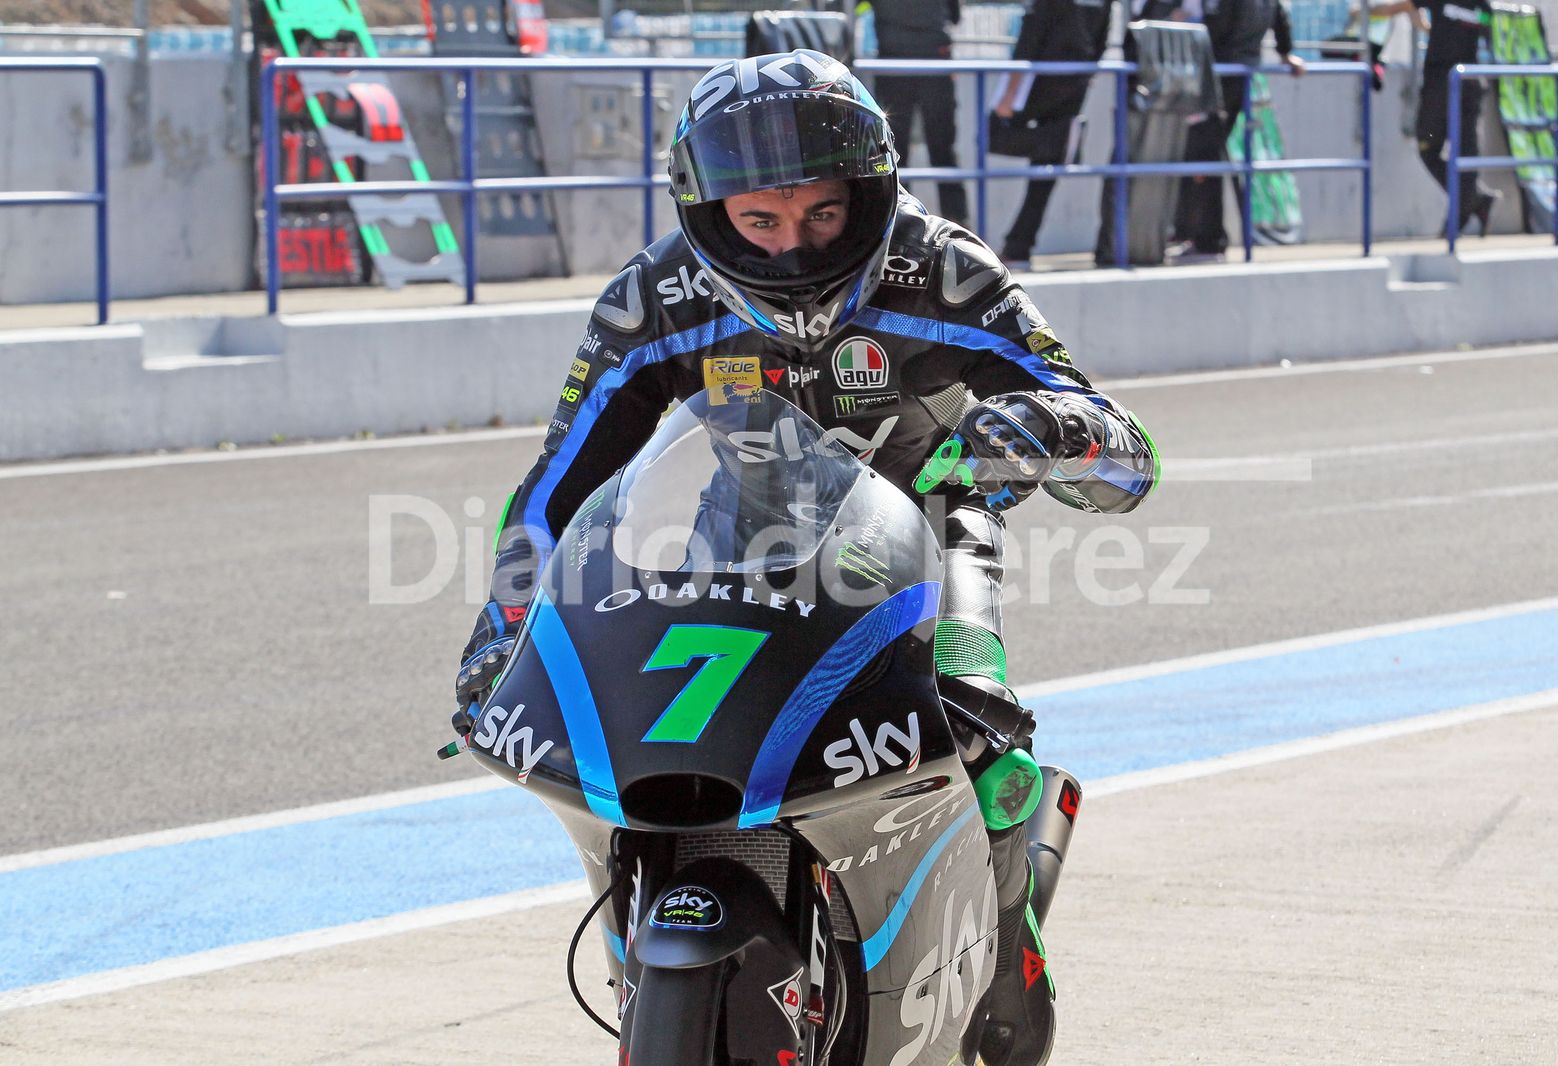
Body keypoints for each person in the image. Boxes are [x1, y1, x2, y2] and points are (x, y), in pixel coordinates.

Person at [454, 50, 1159, 1066]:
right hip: (732, 540)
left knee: (979, 729)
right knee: (659, 749)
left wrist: (1052, 427)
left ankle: (1008, 947)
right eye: (761, 221)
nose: (794, 248)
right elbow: (557, 487)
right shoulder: (652, 297)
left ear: (869, 195)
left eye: (823, 214)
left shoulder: (945, 269)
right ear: (709, 214)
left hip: (933, 527)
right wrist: (501, 629)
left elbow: (1124, 451)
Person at [1169, 0, 1306, 262]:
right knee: (1207, 154)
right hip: (1241, 72)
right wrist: (1285, 51)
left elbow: (1216, 27)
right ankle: (1198, 236)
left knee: (1203, 155)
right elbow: (1279, 16)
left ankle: (1208, 240)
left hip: (1216, 75)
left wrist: (1185, 24)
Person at [992, 0, 1114, 270]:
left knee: (997, 136)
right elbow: (1102, 39)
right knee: (1047, 167)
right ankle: (1019, 246)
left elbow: (1031, 36)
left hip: (1040, 81)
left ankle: (1017, 246)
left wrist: (1010, 92)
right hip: (1075, 82)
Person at [1365, 0, 1500, 235]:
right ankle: (1472, 200)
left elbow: (1491, 31)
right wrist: (1421, 24)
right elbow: (1408, 5)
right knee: (1429, 147)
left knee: (1464, 151)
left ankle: (1466, 206)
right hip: (1445, 83)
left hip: (1462, 84)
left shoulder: (1483, 6)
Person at [863, 0, 971, 227]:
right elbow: (955, 16)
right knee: (943, 151)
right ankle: (958, 225)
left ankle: (897, 223)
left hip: (893, 64)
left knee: (893, 151)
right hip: (935, 62)